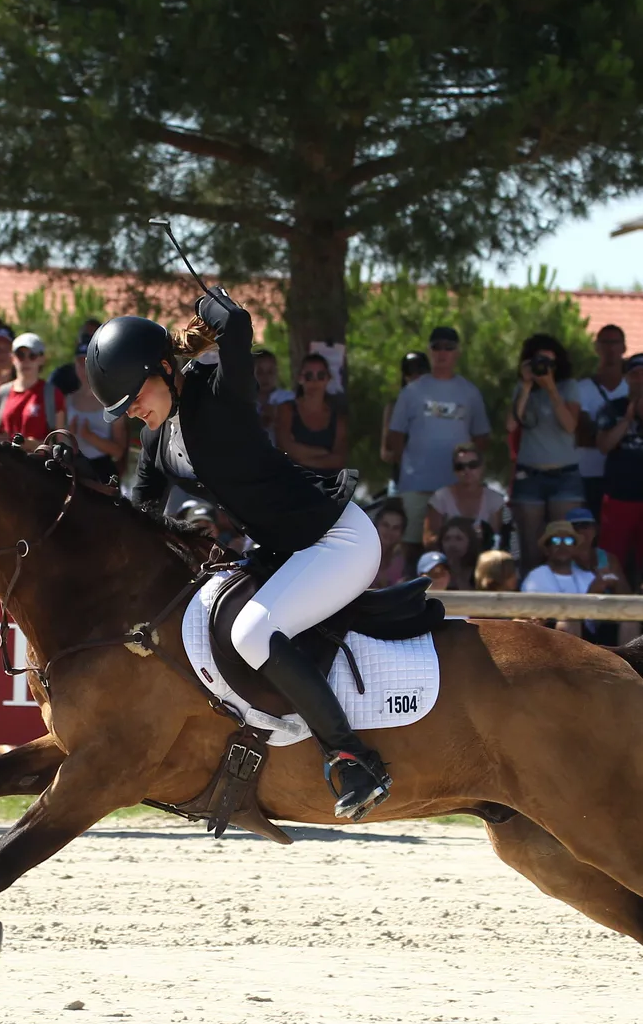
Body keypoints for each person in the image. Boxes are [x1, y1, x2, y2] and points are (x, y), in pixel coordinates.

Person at [94, 290, 390, 820]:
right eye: (122, 409)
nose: (133, 412)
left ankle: (354, 759)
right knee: (208, 613)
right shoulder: (158, 443)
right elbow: (136, 521)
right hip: (283, 550)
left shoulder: (218, 391)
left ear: (165, 367)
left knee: (252, 632)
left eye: (134, 396)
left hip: (336, 538)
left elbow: (235, 323)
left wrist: (212, 303)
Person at [383, 325, 490, 562]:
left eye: (448, 348)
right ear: (429, 351)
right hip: (416, 484)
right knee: (410, 546)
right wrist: (409, 465)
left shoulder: (470, 392)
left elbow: (481, 437)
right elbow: (395, 435)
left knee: (454, 549)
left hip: (455, 487)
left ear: (458, 352)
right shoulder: (412, 392)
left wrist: (468, 473)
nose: (442, 353)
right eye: (436, 347)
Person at [594, 353, 643, 583]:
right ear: (627, 378)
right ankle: (606, 609)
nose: (640, 379)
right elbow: (604, 446)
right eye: (635, 374)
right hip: (617, 498)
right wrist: (626, 420)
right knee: (609, 555)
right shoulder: (611, 408)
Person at [508, 333, 583, 555]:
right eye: (540, 362)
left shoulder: (568, 386)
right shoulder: (522, 389)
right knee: (530, 548)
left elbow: (570, 425)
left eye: (550, 363)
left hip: (565, 477)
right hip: (529, 475)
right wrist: (527, 386)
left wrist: (551, 389)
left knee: (564, 546)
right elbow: (511, 425)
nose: (545, 368)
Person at [572, 324, 628, 518]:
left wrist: (603, 435)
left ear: (624, 347)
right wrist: (618, 436)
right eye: (605, 343)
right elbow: (580, 434)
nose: (610, 348)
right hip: (586, 475)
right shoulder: (581, 388)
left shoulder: (632, 390)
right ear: (597, 348)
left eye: (615, 342)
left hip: (622, 479)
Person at [62, 333, 125, 486]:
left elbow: (119, 451)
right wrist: (70, 435)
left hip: (102, 471)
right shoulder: (67, 401)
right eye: (79, 363)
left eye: (87, 362)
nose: (84, 369)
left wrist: (89, 436)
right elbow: (60, 441)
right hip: (73, 467)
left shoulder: (112, 401)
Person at [273, 353, 350, 480]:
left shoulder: (338, 419)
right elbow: (285, 448)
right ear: (300, 378)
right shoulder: (287, 409)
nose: (315, 381)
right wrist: (323, 453)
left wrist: (300, 461)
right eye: (309, 376)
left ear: (328, 378)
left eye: (320, 376)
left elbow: (339, 460)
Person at [425, 443, 507, 546]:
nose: (466, 470)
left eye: (472, 465)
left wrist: (485, 535)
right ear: (454, 471)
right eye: (460, 467)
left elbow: (497, 538)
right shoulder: (440, 498)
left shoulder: (495, 500)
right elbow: (428, 540)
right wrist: (451, 538)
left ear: (482, 467)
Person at [0, 333, 63, 443]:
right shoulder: (0, 393)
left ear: (42, 359)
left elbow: (59, 441)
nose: (26, 361)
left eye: (32, 355)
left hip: (38, 459)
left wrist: (31, 444)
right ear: (12, 358)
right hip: (5, 458)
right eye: (20, 355)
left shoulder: (53, 394)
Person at [368, 501, 409, 588]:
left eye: (396, 528)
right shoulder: (362, 555)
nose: (389, 532)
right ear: (376, 526)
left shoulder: (402, 561)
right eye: (385, 525)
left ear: (402, 532)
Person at [434, 519, 482, 591]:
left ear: (470, 542)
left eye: (459, 539)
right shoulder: (434, 568)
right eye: (447, 539)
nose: (452, 544)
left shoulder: (479, 570)